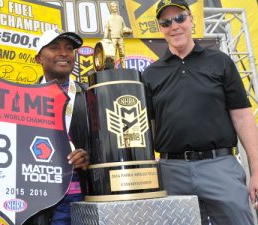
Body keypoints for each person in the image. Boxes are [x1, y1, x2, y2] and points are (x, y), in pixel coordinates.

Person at [142, 0, 258, 224]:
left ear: (191, 20)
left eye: (180, 18)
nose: (174, 26)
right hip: (170, 171)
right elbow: (150, 127)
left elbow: (243, 117)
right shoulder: (150, 73)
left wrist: (256, 170)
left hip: (220, 167)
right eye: (166, 22)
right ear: (160, 28)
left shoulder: (220, 62)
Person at [0, 28, 90, 225]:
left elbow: (107, 149)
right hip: (40, 203)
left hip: (85, 198)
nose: (64, 53)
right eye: (54, 47)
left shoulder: (91, 96)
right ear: (38, 58)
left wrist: (90, 158)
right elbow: (6, 154)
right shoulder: (19, 101)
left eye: (69, 48)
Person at [103, 1, 132, 68]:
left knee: (122, 54)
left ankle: (124, 67)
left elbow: (124, 27)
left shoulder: (120, 18)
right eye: (113, 6)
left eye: (116, 6)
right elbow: (106, 28)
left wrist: (128, 30)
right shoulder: (108, 18)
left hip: (120, 38)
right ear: (110, 8)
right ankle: (113, 67)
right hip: (113, 38)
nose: (115, 8)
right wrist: (105, 38)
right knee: (112, 54)